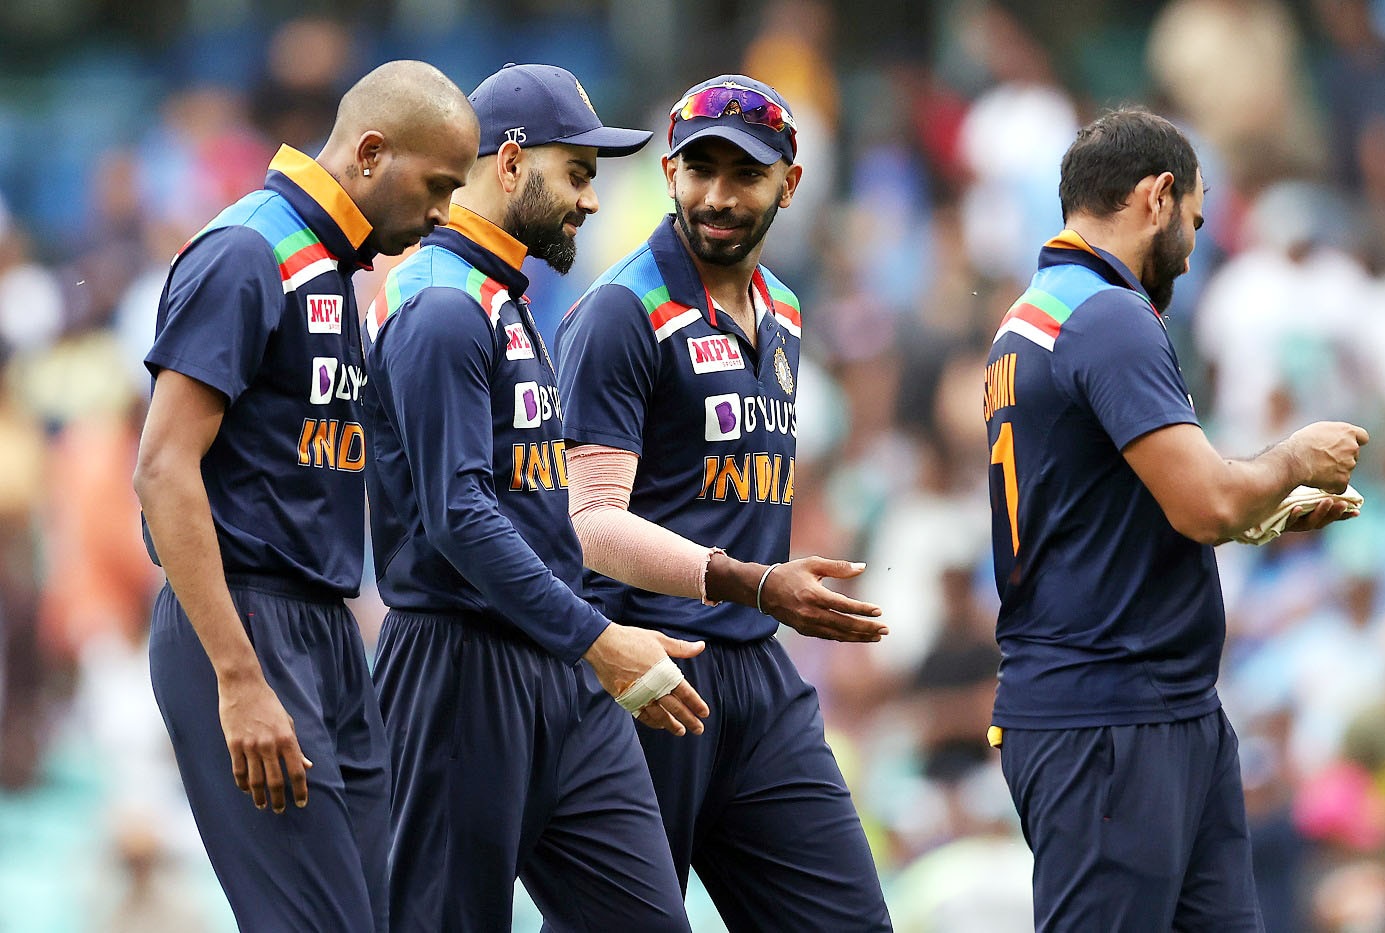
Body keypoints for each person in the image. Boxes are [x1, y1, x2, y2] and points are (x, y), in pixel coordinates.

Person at [982, 106, 1368, 931]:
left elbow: (1118, 505)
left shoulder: (1034, 317)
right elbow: (1207, 501)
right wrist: (1294, 458)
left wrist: (1269, 514)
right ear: (1157, 196)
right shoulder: (1110, 316)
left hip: (1157, 708)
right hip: (1111, 718)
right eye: (1192, 220)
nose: (1190, 252)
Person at [133, 61, 478, 931]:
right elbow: (163, 467)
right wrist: (238, 675)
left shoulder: (330, 268)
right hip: (244, 623)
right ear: (370, 152)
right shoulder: (249, 251)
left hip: (323, 630)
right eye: (437, 186)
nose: (443, 213)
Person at [362, 63, 705, 932]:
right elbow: (459, 515)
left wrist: (591, 638)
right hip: (458, 670)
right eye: (578, 173)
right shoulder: (439, 303)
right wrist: (600, 638)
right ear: (509, 163)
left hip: (557, 667)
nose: (591, 202)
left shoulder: (503, 299)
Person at [555, 74, 894, 932]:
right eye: (698, 168)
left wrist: (776, 589)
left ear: (790, 183)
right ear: (668, 171)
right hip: (646, 669)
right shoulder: (622, 311)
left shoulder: (781, 306)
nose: (716, 194)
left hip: (759, 678)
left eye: (744, 174)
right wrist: (753, 581)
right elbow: (589, 523)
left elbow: (744, 490)